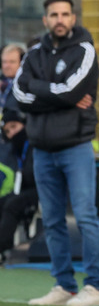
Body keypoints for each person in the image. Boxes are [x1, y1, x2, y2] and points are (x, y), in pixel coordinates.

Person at [13, 0, 99, 306]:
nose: (60, 20)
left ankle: (96, 288)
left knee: (85, 216)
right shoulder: (32, 54)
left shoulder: (85, 50)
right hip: (42, 150)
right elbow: (19, 94)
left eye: (65, 14)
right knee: (51, 219)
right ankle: (64, 285)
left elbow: (71, 92)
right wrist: (57, 95)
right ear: (45, 20)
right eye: (54, 15)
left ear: (73, 17)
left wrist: (40, 90)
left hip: (76, 147)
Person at [0, 108, 38, 260]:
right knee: (5, 202)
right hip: (23, 190)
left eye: (14, 127)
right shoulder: (14, 150)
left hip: (42, 189)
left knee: (12, 204)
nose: (12, 133)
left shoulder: (35, 143)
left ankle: (2, 247)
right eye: (8, 131)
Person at [1, 44, 25, 111]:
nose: (7, 66)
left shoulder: (24, 86)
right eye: (4, 62)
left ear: (22, 63)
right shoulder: (4, 82)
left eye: (12, 62)